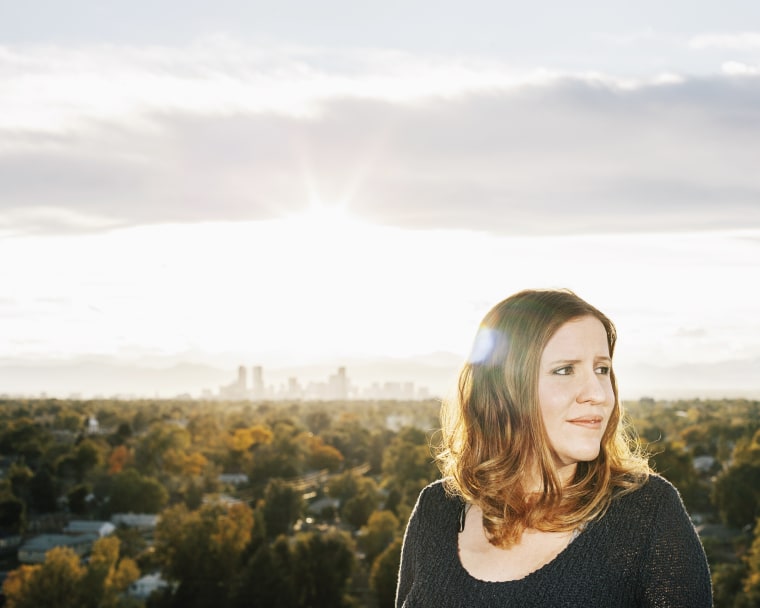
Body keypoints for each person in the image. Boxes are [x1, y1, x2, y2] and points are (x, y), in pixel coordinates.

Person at [396, 288, 712, 607]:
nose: (598, 393)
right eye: (565, 370)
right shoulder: (436, 510)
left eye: (602, 369)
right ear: (502, 390)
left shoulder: (647, 515)